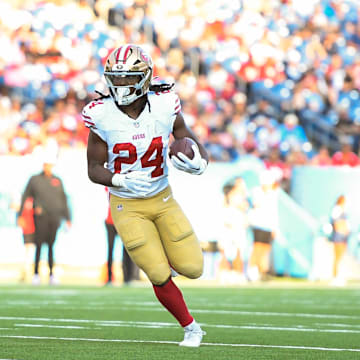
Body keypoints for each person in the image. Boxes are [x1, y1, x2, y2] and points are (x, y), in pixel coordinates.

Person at [82, 44, 209, 347]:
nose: (121, 85)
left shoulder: (166, 104)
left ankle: (163, 256)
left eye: (128, 78)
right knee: (156, 272)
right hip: (127, 204)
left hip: (162, 197)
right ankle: (191, 328)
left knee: (193, 268)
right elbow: (92, 168)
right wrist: (119, 178)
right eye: (116, 78)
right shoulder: (100, 115)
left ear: (144, 78)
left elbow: (186, 137)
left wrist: (200, 161)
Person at [17, 154, 71, 285]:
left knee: (52, 246)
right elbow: (25, 196)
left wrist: (68, 217)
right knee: (39, 245)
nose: (48, 167)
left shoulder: (57, 180)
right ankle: (36, 274)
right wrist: (20, 215)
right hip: (40, 218)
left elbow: (63, 200)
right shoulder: (35, 179)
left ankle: (52, 274)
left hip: (55, 217)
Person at [104, 188, 139, 286]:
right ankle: (109, 278)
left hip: (124, 220)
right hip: (110, 221)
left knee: (127, 250)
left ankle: (128, 278)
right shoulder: (110, 184)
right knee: (110, 251)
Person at [329, 195, 350, 286]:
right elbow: (336, 222)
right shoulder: (336, 209)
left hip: (344, 235)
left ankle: (340, 276)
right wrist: (341, 231)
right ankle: (335, 277)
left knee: (341, 257)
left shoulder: (343, 210)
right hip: (339, 235)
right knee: (337, 257)